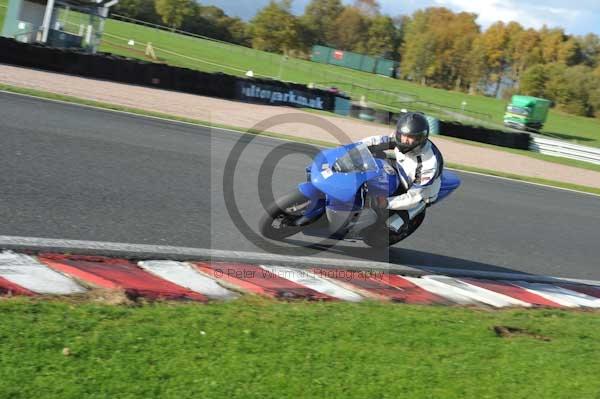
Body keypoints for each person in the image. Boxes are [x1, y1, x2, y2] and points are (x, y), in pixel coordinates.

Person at [359, 112, 444, 234]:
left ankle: (399, 224)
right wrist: (353, 148)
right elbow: (376, 141)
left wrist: (387, 202)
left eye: (410, 137)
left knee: (393, 225)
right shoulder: (400, 138)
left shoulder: (428, 163)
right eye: (402, 135)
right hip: (401, 168)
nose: (405, 140)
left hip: (420, 190)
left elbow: (415, 196)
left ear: (421, 138)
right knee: (371, 161)